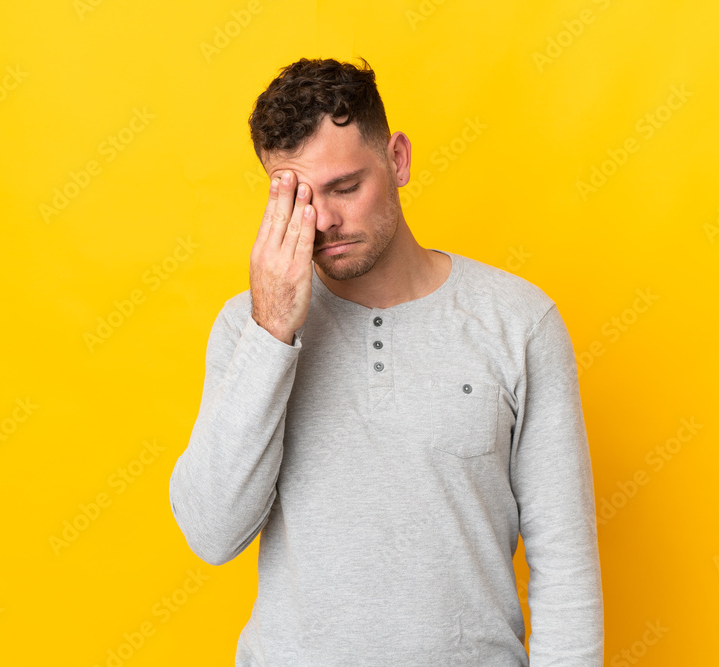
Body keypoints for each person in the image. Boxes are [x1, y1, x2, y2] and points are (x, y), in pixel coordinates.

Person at [168, 56, 603, 666]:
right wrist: (273, 332)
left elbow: (565, 565)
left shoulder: (519, 322)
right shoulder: (248, 327)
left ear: (397, 159)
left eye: (345, 187)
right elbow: (212, 534)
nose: (324, 220)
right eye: (297, 198)